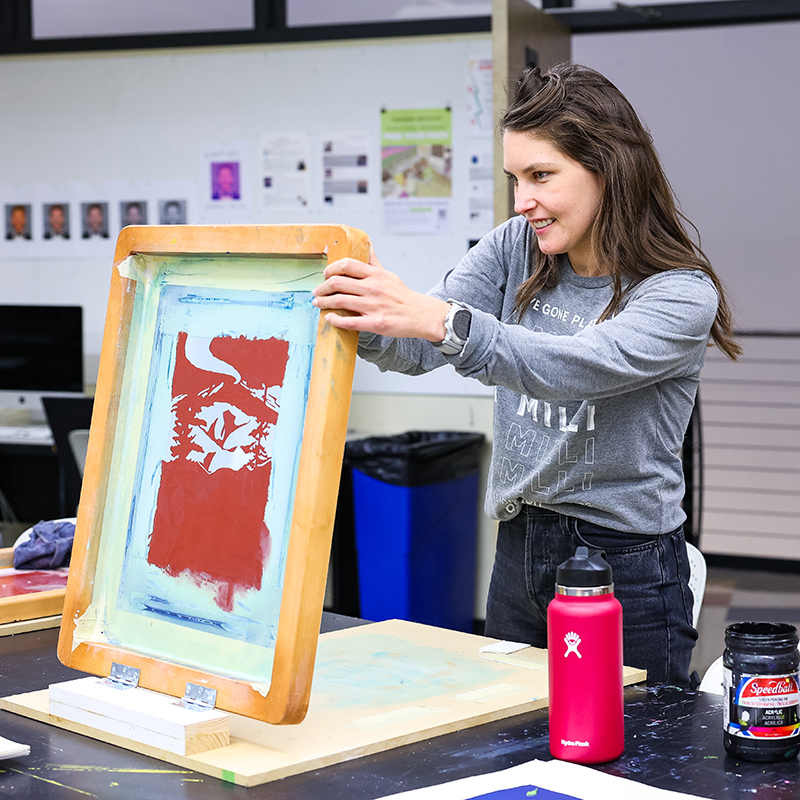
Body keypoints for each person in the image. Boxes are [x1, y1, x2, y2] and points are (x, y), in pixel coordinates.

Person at [312, 63, 741, 687]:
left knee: (629, 762)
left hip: (629, 567)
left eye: (542, 176)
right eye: (516, 178)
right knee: (508, 748)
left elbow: (574, 367)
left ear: (610, 170)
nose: (523, 202)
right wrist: (366, 310)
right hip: (519, 552)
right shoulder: (516, 247)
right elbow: (416, 349)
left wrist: (438, 320)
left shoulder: (679, 294)